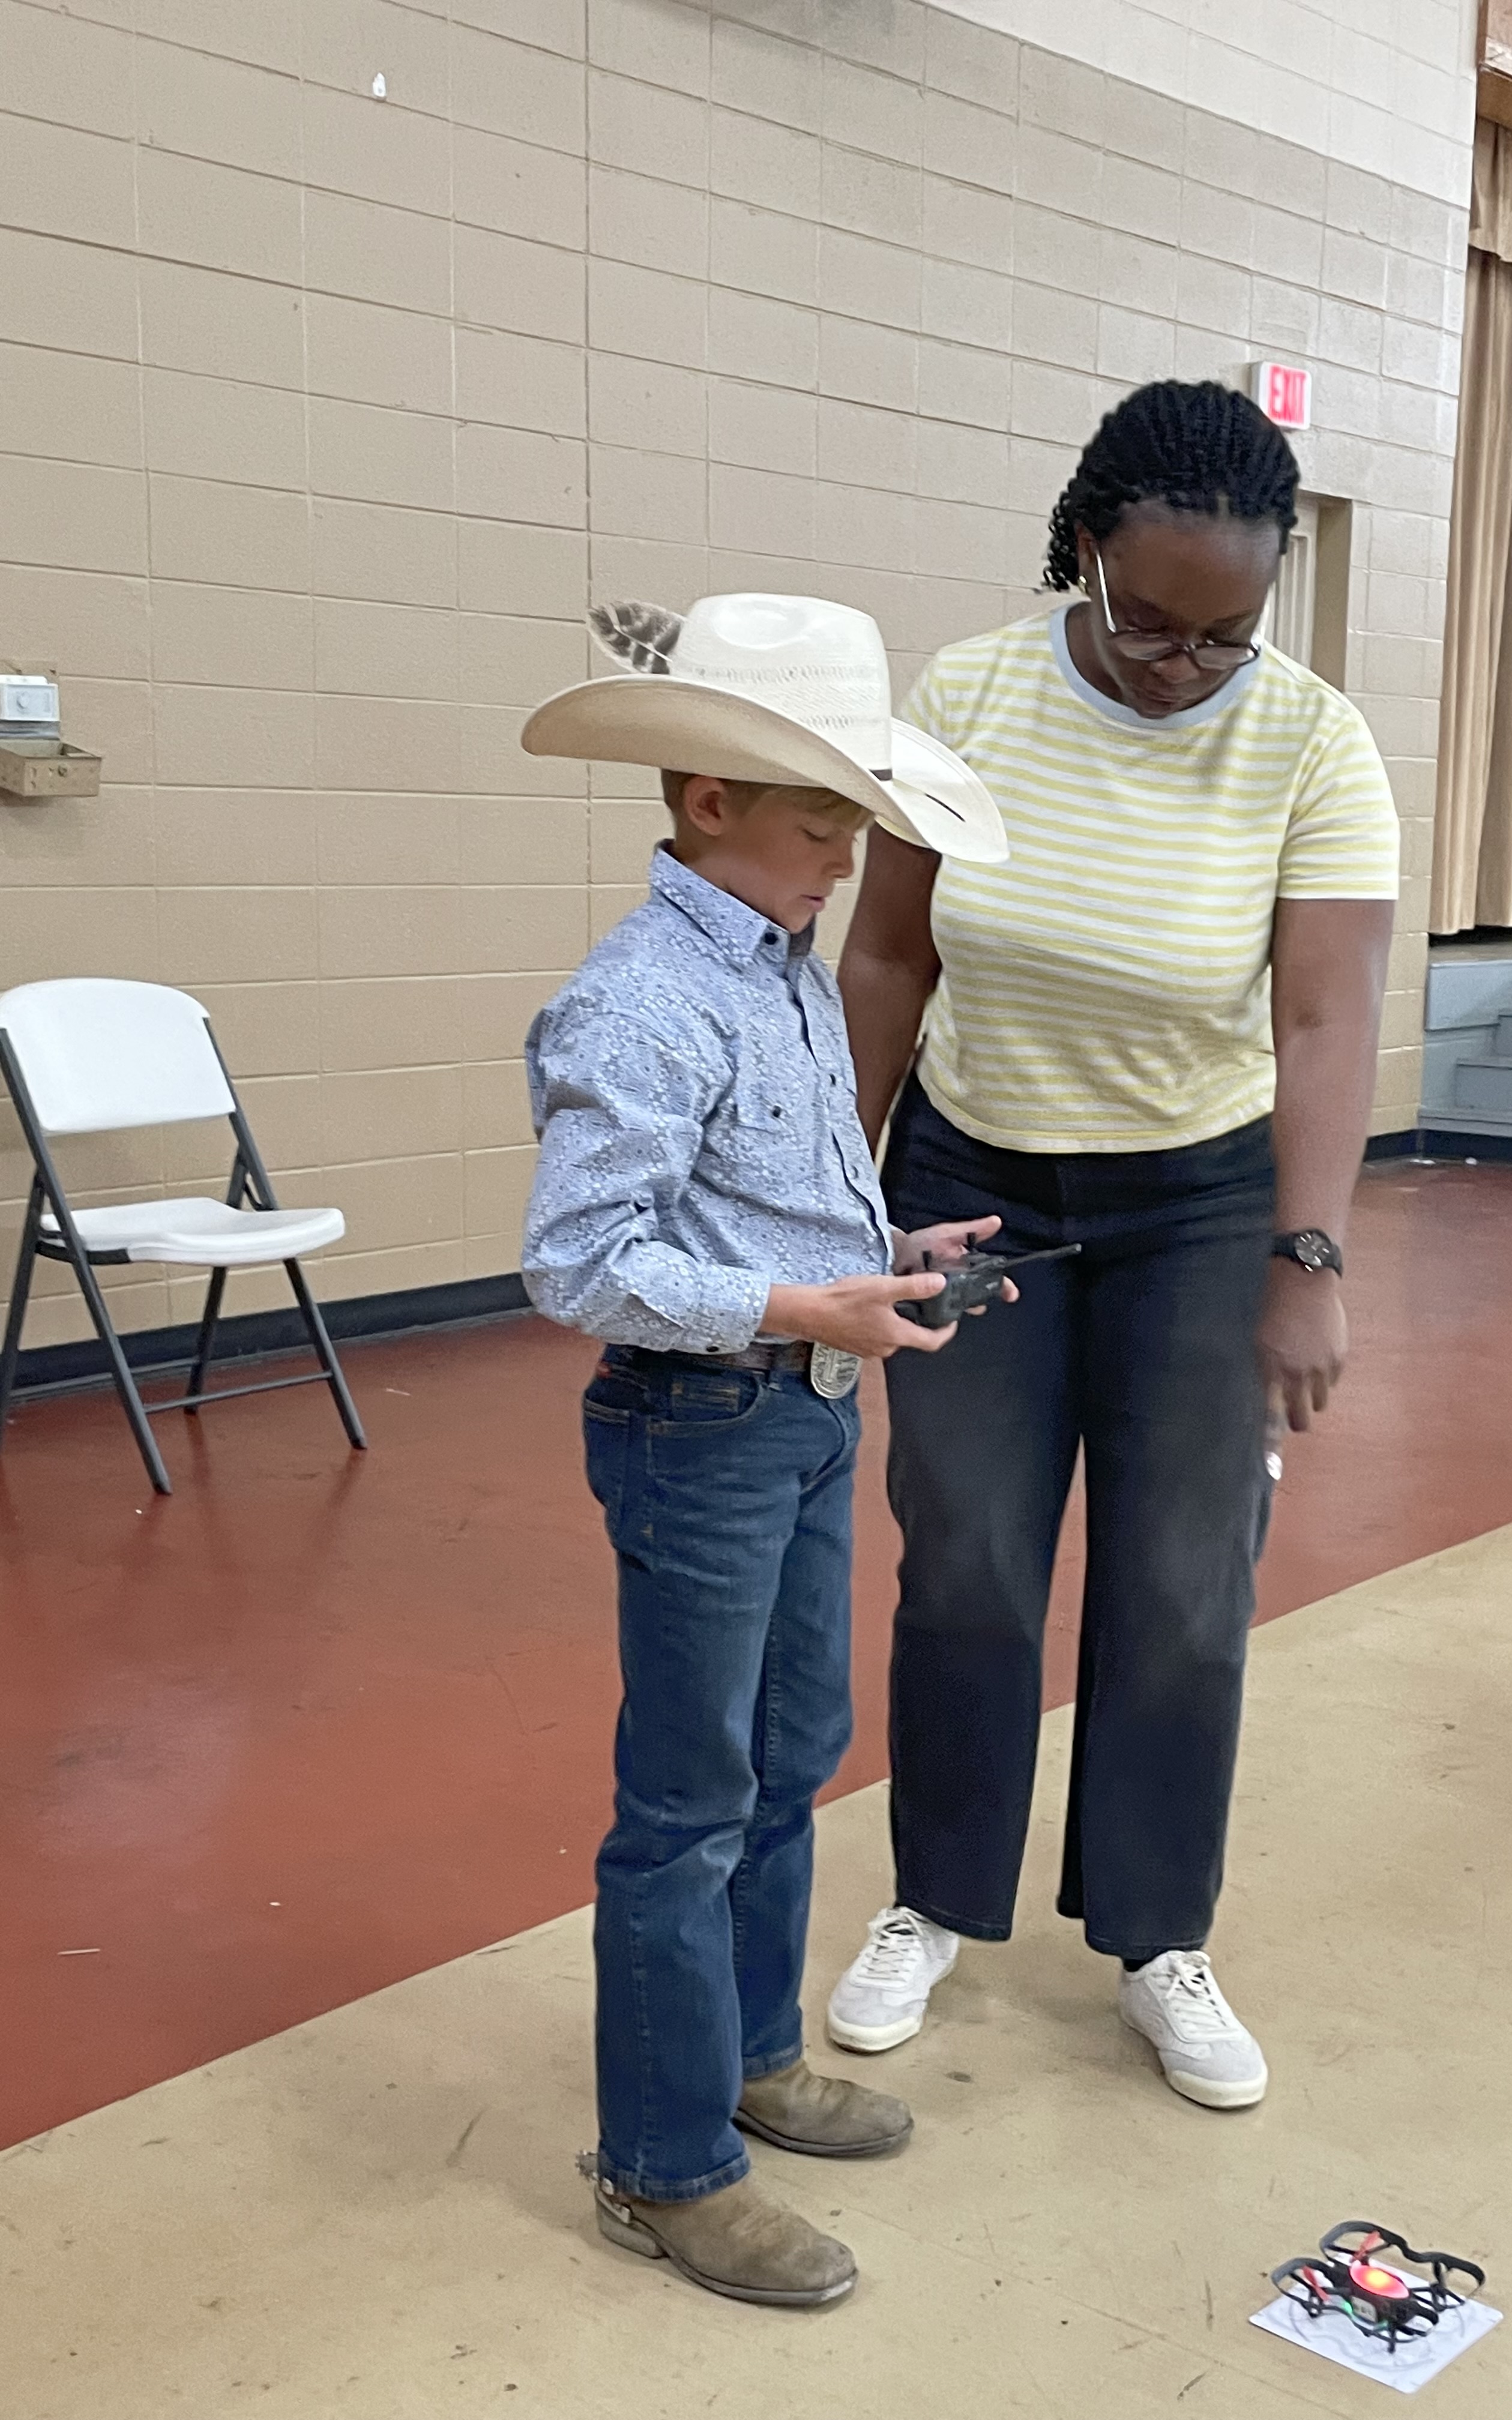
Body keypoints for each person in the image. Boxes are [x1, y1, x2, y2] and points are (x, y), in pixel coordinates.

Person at [826, 380, 1402, 2110]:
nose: (1179, 663)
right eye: (1148, 620)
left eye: (1223, 635)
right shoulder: (974, 691)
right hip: (975, 1181)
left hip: (1202, 1203)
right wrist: (829, 1209)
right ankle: (935, 1900)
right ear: (1085, 548)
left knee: (1176, 1583)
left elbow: (1325, 1019)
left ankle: (1161, 1939)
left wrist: (1309, 1256)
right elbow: (887, 962)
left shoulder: (1310, 739)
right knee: (973, 1556)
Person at [518, 593, 1008, 2307]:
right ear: (706, 799)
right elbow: (582, 1260)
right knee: (687, 1800)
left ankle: (744, 2050)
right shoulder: (642, 1000)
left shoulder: (781, 969)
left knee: (792, 1746)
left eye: (859, 822)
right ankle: (663, 2165)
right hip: (705, 1424)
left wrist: (878, 1268)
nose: (847, 858)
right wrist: (805, 1307)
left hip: (799, 1410)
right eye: (821, 822)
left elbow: (777, 1193)